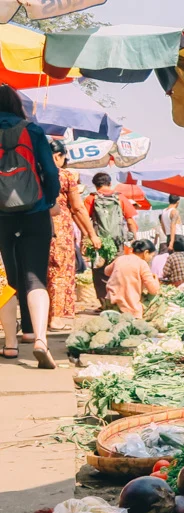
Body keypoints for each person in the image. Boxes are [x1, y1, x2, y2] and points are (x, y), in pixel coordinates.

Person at [0, 84, 61, 368]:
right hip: (34, 209)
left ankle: (11, 346)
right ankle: (39, 340)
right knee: (35, 277)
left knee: (7, 281)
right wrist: (48, 199)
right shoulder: (33, 130)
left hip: (1, 214)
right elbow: (49, 170)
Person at [47, 139, 99, 332]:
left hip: (33, 228)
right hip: (58, 230)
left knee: (38, 274)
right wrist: (92, 234)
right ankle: (55, 318)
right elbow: (77, 208)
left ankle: (34, 322)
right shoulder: (65, 176)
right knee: (59, 273)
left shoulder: (33, 175)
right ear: (57, 156)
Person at [85, 171, 139, 303]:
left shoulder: (91, 198)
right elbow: (131, 221)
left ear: (95, 185)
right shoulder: (120, 198)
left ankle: (104, 303)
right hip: (117, 242)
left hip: (99, 242)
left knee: (99, 272)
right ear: (110, 183)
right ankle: (118, 302)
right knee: (117, 271)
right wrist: (134, 239)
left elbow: (85, 221)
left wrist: (85, 241)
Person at [104, 239, 160, 318]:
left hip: (110, 301)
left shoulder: (120, 258)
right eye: (152, 255)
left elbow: (106, 271)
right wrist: (155, 280)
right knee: (157, 298)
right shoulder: (142, 264)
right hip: (129, 306)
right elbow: (153, 290)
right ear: (146, 253)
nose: (151, 258)